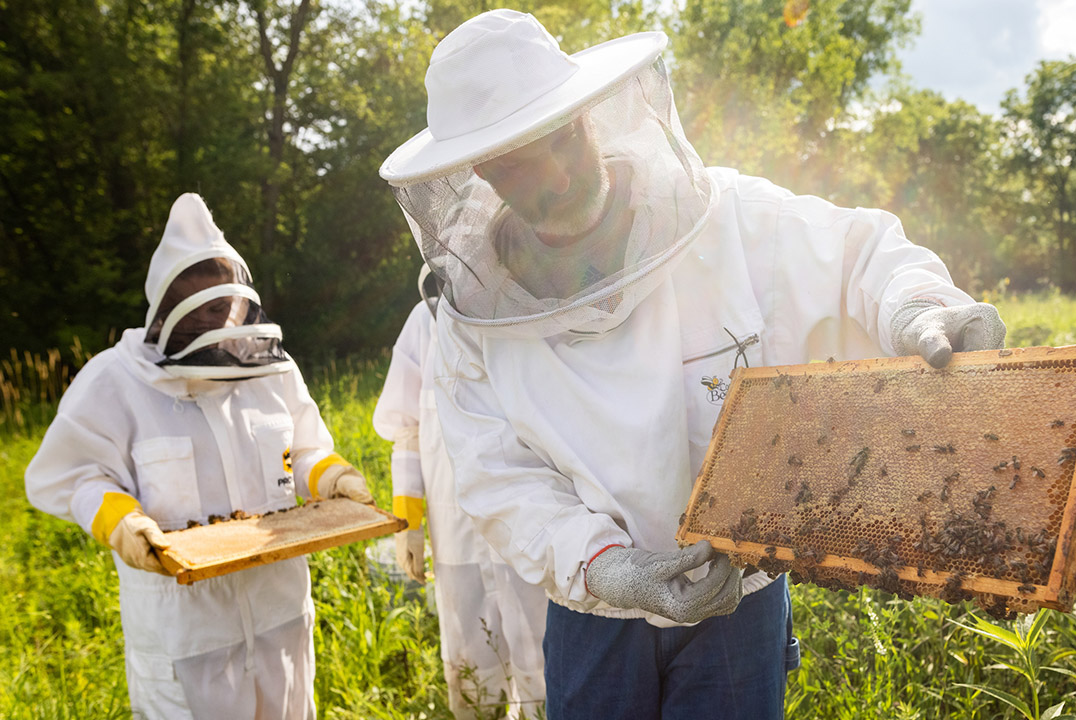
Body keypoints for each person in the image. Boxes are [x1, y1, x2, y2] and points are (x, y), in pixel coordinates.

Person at [379, 10, 1007, 718]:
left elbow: (857, 252)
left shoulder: (729, 220)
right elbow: (497, 475)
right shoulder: (472, 323)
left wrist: (918, 304)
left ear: (589, 115)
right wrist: (607, 569)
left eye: (565, 137)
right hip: (597, 616)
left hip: (741, 595)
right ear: (485, 172)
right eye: (523, 161)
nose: (558, 172)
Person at [25, 193, 374, 719]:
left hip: (280, 612)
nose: (217, 319)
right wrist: (119, 520)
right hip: (186, 635)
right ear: (167, 306)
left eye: (222, 306)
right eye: (202, 308)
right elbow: (68, 475)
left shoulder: (271, 372)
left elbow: (302, 449)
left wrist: (331, 476)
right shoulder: (115, 381)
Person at [373, 266, 547, 719]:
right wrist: (408, 521)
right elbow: (407, 429)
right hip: (456, 533)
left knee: (542, 658)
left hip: (529, 528)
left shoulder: (532, 316)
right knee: (471, 663)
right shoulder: (421, 324)